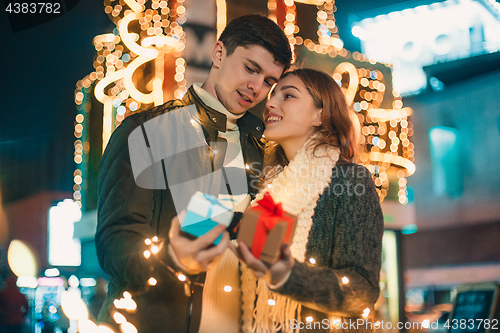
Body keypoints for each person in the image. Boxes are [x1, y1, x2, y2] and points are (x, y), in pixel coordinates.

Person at [95, 14, 292, 333]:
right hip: (153, 321)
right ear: (218, 53)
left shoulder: (263, 149)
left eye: (269, 81)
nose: (256, 87)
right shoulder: (146, 131)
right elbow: (115, 241)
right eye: (250, 68)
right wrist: (171, 259)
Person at [235, 68, 384, 333]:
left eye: (288, 96)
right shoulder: (267, 190)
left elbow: (362, 290)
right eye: (271, 95)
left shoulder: (350, 180)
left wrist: (287, 275)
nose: (270, 102)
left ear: (320, 115)